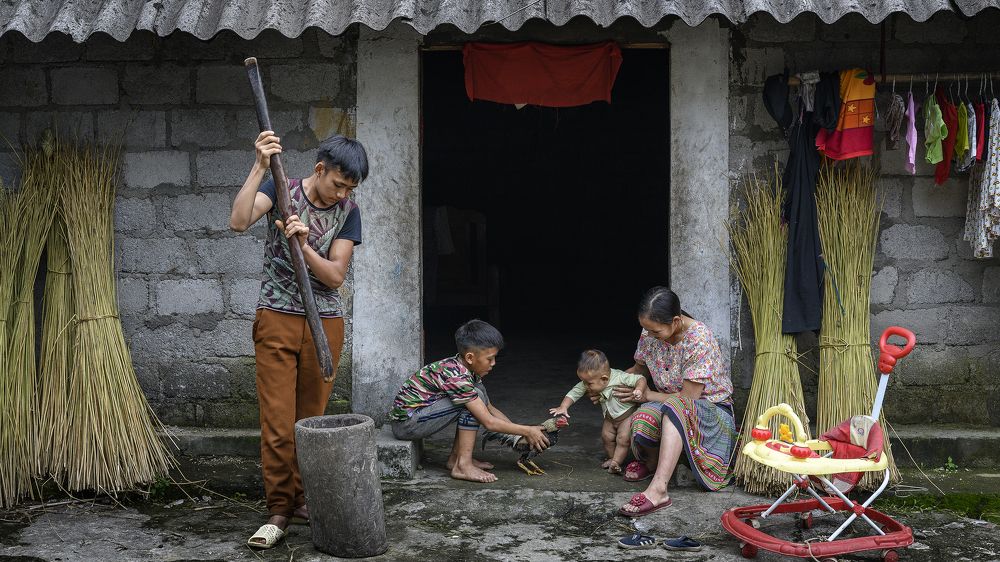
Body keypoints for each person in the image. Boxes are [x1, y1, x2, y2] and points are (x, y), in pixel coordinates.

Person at [230, 131, 368, 549]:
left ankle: (305, 498)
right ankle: (279, 507)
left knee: (311, 422)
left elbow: (335, 276)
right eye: (337, 183)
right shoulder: (282, 188)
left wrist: (305, 246)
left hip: (324, 323)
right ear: (319, 169)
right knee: (277, 422)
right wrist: (258, 165)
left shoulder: (349, 212)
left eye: (350, 188)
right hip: (276, 316)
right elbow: (238, 222)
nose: (341, 193)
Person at [615, 287, 736, 517]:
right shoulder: (649, 334)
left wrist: (649, 395)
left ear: (677, 321)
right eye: (646, 330)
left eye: (655, 331)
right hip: (670, 405)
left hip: (709, 412)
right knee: (643, 418)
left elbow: (688, 399)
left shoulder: (700, 339)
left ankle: (659, 490)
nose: (649, 336)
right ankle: (651, 463)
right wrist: (609, 384)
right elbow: (638, 370)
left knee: (672, 407)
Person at [389, 319, 550, 483]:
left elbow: (489, 408)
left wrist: (517, 436)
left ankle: (455, 459)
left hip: (421, 417)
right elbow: (488, 421)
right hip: (407, 425)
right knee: (470, 406)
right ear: (470, 357)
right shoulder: (457, 377)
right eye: (490, 359)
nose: (493, 364)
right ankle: (462, 466)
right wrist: (527, 431)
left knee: (476, 399)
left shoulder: (467, 370)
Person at [548, 350, 647, 474]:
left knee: (622, 439)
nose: (585, 386)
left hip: (627, 416)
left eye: (588, 383)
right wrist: (563, 406)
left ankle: (616, 463)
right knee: (606, 438)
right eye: (583, 382)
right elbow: (574, 392)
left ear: (604, 379)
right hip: (610, 419)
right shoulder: (590, 381)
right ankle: (612, 458)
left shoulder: (621, 377)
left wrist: (639, 389)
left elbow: (640, 379)